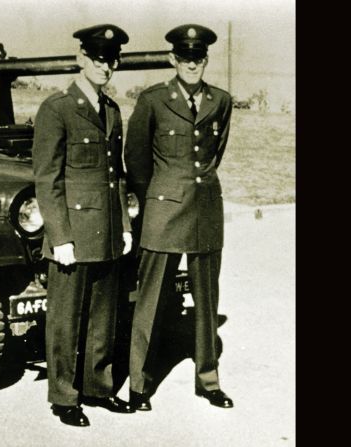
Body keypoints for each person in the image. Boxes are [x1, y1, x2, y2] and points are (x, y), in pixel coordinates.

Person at [124, 24, 234, 411]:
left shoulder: (220, 100)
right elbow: (135, 159)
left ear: (205, 60)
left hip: (205, 211)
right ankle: (140, 383)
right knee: (151, 301)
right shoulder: (154, 99)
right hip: (164, 210)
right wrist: (153, 199)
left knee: (206, 301)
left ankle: (208, 380)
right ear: (173, 59)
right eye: (185, 57)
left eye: (198, 58)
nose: (192, 64)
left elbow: (214, 153)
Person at [32, 24, 135, 427]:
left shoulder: (112, 110)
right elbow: (47, 178)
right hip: (72, 236)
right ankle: (63, 395)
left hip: (107, 231)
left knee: (103, 318)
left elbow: (118, 175)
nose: (105, 66)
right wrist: (60, 236)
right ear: (81, 59)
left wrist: (124, 225)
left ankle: (98, 387)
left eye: (111, 60)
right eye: (97, 58)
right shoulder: (56, 108)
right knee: (65, 319)